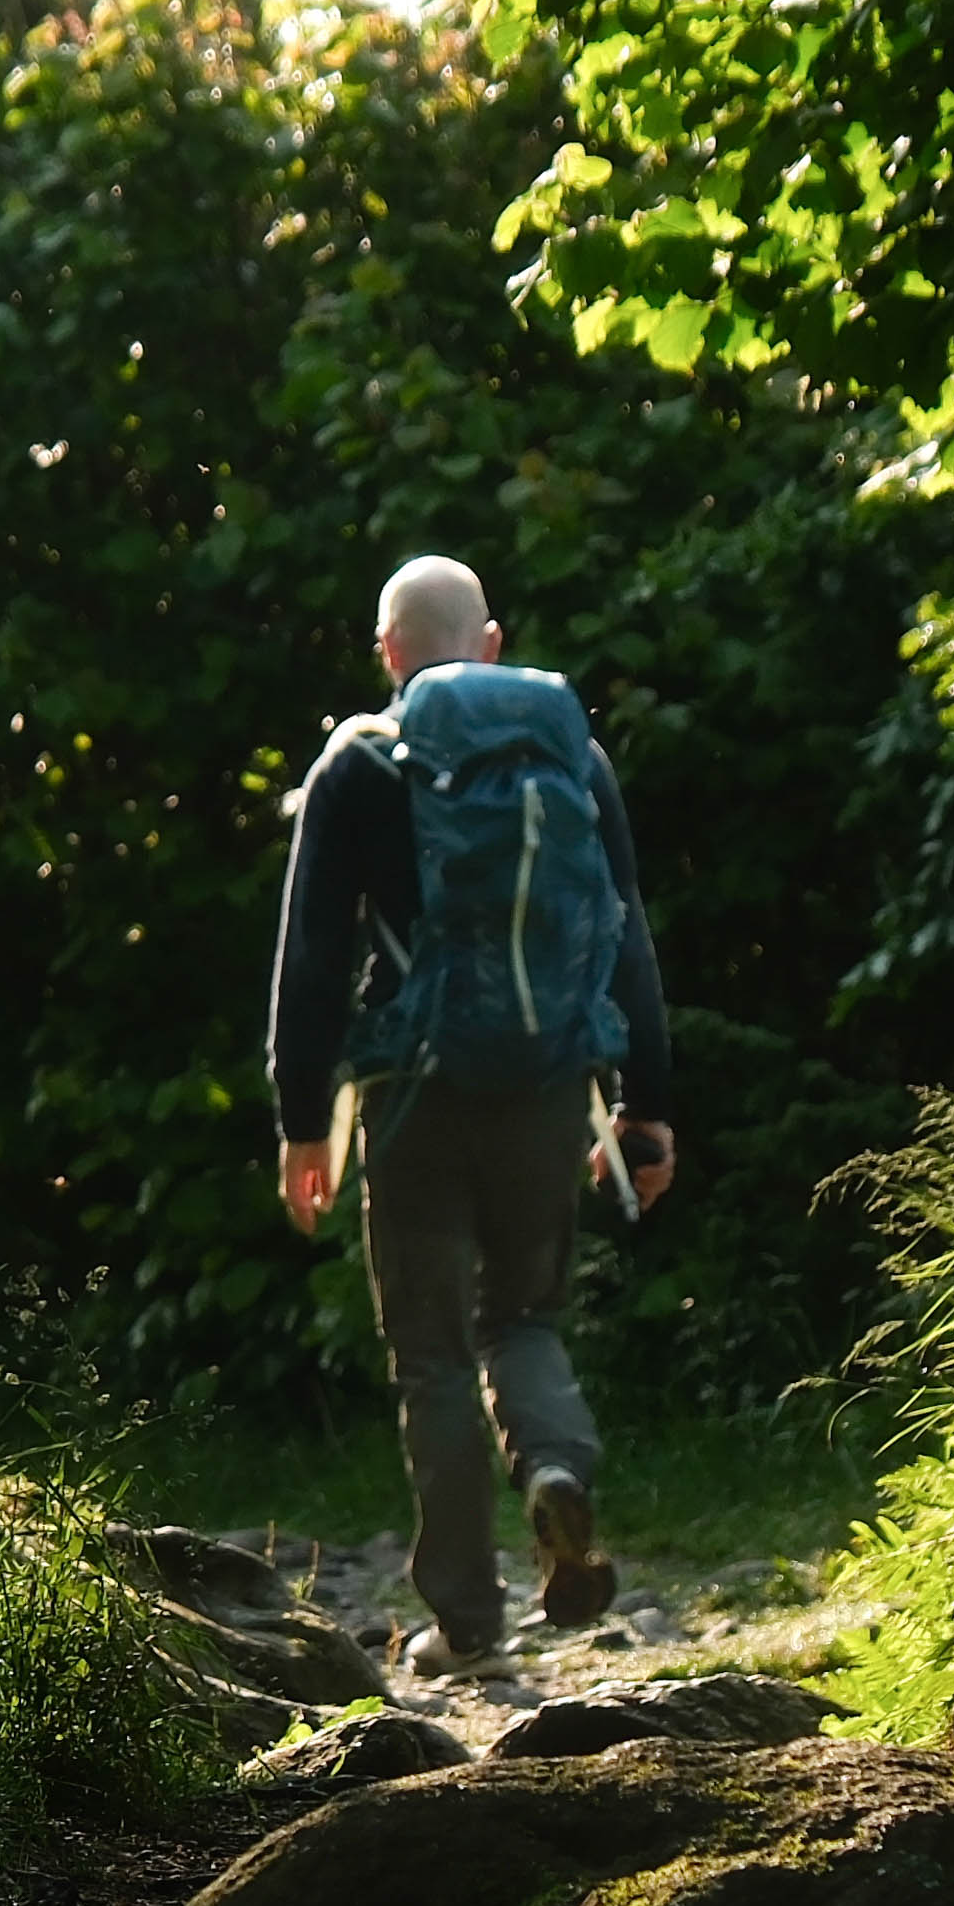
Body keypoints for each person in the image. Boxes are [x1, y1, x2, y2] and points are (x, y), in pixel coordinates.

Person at [267, 552, 680, 1675]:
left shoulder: (360, 761)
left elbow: (312, 958)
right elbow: (626, 935)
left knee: (435, 1356)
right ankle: (556, 1467)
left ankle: (469, 1627)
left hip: (412, 1093)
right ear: (490, 642)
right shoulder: (571, 752)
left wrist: (302, 1121)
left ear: (387, 653)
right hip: (549, 1086)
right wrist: (645, 1109)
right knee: (525, 1319)